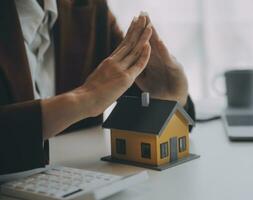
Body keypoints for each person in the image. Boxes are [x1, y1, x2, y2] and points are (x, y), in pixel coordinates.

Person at [0, 0, 195, 175]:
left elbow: (133, 86)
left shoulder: (89, 6)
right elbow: (96, 92)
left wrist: (168, 98)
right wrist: (80, 100)